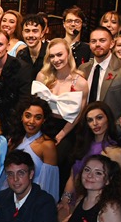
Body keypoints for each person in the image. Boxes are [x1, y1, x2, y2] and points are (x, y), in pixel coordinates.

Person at [33, 38, 89, 187]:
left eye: (59, 55)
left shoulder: (80, 82)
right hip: (45, 125)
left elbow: (79, 115)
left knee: (59, 165)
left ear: (68, 54)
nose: (56, 60)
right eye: (52, 56)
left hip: (68, 129)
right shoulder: (42, 77)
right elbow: (36, 107)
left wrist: (61, 135)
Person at [59, 102, 121, 222]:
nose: (95, 123)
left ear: (108, 119)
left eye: (99, 118)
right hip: (73, 202)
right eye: (90, 120)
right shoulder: (82, 146)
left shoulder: (116, 153)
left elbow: (120, 189)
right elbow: (72, 175)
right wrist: (65, 199)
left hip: (97, 209)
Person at [79, 26, 121, 121]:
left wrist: (115, 131)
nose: (97, 44)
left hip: (112, 132)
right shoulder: (83, 69)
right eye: (93, 41)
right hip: (84, 129)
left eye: (102, 40)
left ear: (112, 44)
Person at [8, 97, 59, 201]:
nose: (31, 121)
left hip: (33, 202)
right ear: (21, 117)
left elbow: (49, 186)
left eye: (38, 117)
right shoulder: (16, 139)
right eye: (28, 116)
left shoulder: (47, 145)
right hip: (10, 195)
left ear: (44, 120)